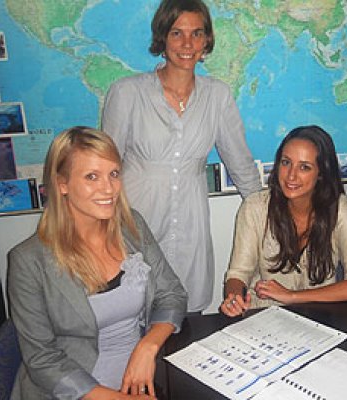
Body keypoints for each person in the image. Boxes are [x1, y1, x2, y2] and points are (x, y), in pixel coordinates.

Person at [101, 0, 262, 313]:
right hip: (135, 224)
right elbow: (106, 166)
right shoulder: (127, 92)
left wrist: (269, 218)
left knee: (185, 319)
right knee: (133, 314)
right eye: (177, 33)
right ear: (163, 38)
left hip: (190, 225)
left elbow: (240, 163)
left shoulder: (217, 95)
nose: (187, 44)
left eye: (196, 33)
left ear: (206, 41)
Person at [7, 127, 187, 399]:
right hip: (73, 392)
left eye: (114, 174)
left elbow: (172, 294)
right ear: (62, 184)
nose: (109, 188)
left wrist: (148, 347)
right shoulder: (28, 261)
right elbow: (42, 359)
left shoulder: (132, 225)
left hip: (142, 379)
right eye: (92, 176)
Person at [221, 125, 347, 316]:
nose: (291, 175)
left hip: (319, 318)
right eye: (286, 163)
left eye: (304, 167)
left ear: (321, 173)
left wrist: (292, 296)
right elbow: (238, 275)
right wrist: (233, 297)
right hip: (264, 316)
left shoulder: (339, 208)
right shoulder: (255, 207)